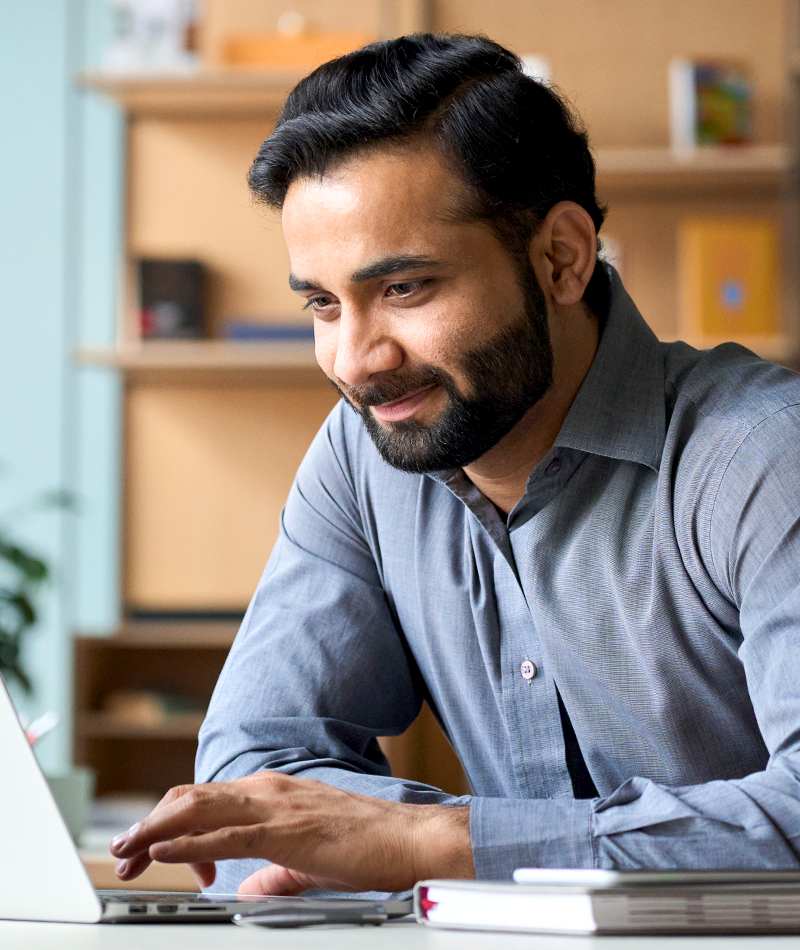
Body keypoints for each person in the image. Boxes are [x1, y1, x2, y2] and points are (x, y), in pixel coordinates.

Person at [111, 33, 800, 896]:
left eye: (403, 289)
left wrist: (438, 844)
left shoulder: (765, 456)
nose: (355, 361)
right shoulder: (363, 456)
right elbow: (251, 776)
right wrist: (374, 843)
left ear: (562, 257)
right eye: (323, 303)